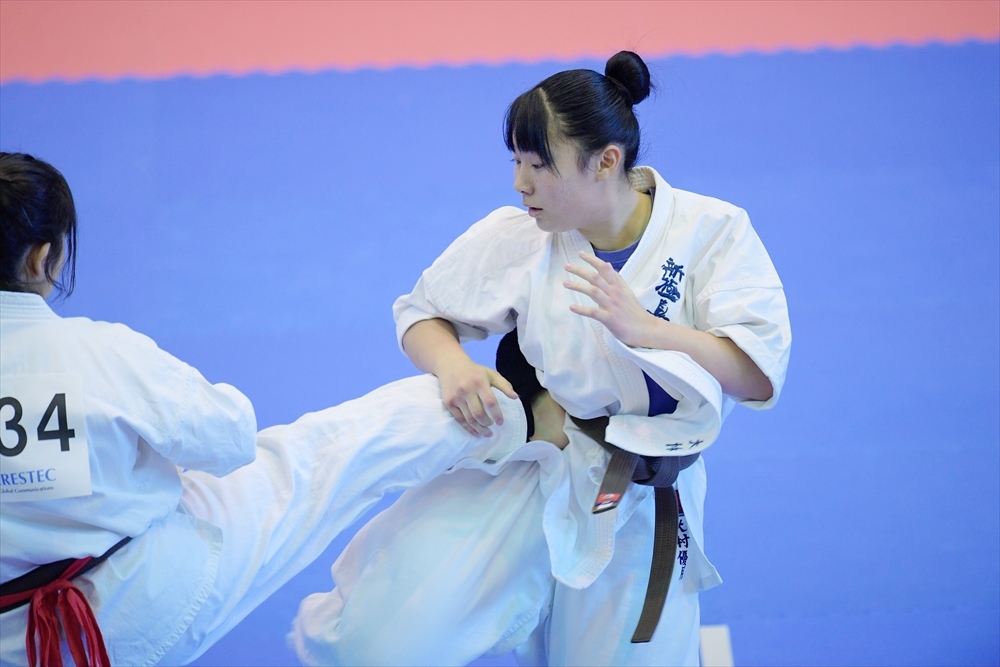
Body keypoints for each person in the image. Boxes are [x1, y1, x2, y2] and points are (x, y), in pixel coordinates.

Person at [290, 51, 792, 666]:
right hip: (539, 464)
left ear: (605, 161)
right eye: (516, 162)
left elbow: (756, 374)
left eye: (540, 166)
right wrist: (453, 365)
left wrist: (647, 329)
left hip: (639, 497)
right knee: (382, 635)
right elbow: (421, 314)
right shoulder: (523, 237)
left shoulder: (712, 231)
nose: (520, 183)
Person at [0, 152, 543, 667]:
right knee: (317, 457)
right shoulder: (98, 354)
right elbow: (229, 440)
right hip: (130, 610)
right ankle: (520, 419)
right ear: (41, 257)